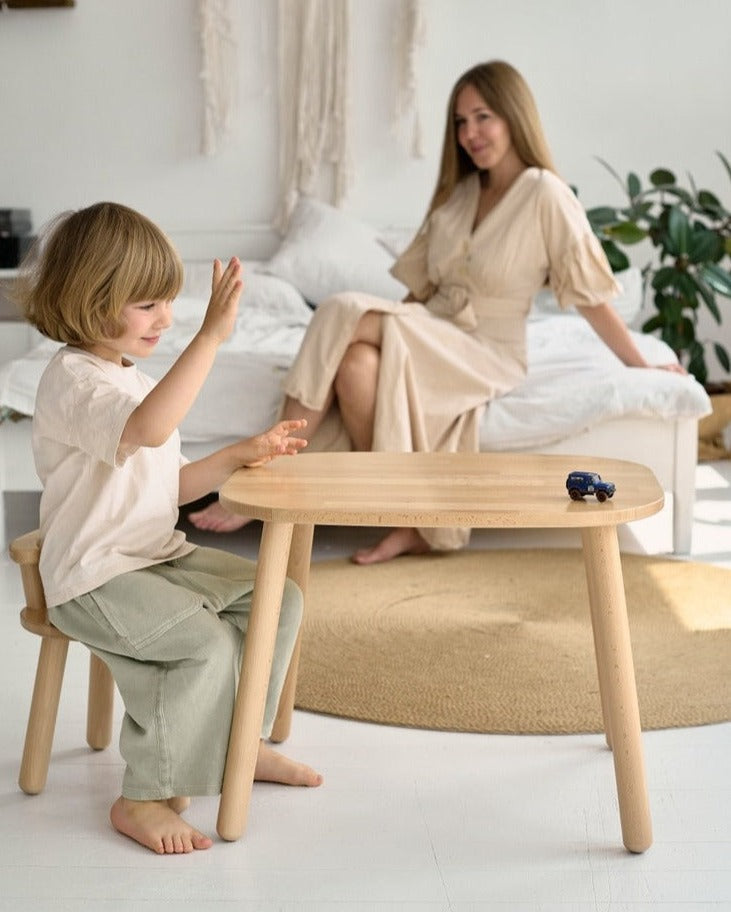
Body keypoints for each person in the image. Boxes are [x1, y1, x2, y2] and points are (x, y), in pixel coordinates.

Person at [188, 59, 685, 561]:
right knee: (358, 364)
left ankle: (270, 476)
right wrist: (387, 335)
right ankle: (411, 521)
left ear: (513, 115)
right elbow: (417, 297)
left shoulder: (544, 193)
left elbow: (588, 296)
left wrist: (638, 363)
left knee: (342, 310)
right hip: (433, 332)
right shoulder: (459, 196)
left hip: (488, 350)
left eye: (482, 116)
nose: (470, 132)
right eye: (461, 122)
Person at [18, 202, 322, 856]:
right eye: (148, 305)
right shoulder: (74, 380)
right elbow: (149, 429)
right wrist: (211, 337)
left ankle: (241, 745)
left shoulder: (126, 378)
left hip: (150, 554)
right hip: (93, 575)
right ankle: (143, 795)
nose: (167, 319)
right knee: (203, 645)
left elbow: (169, 483)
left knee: (280, 600)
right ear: (92, 300)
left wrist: (236, 454)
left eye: (169, 303)